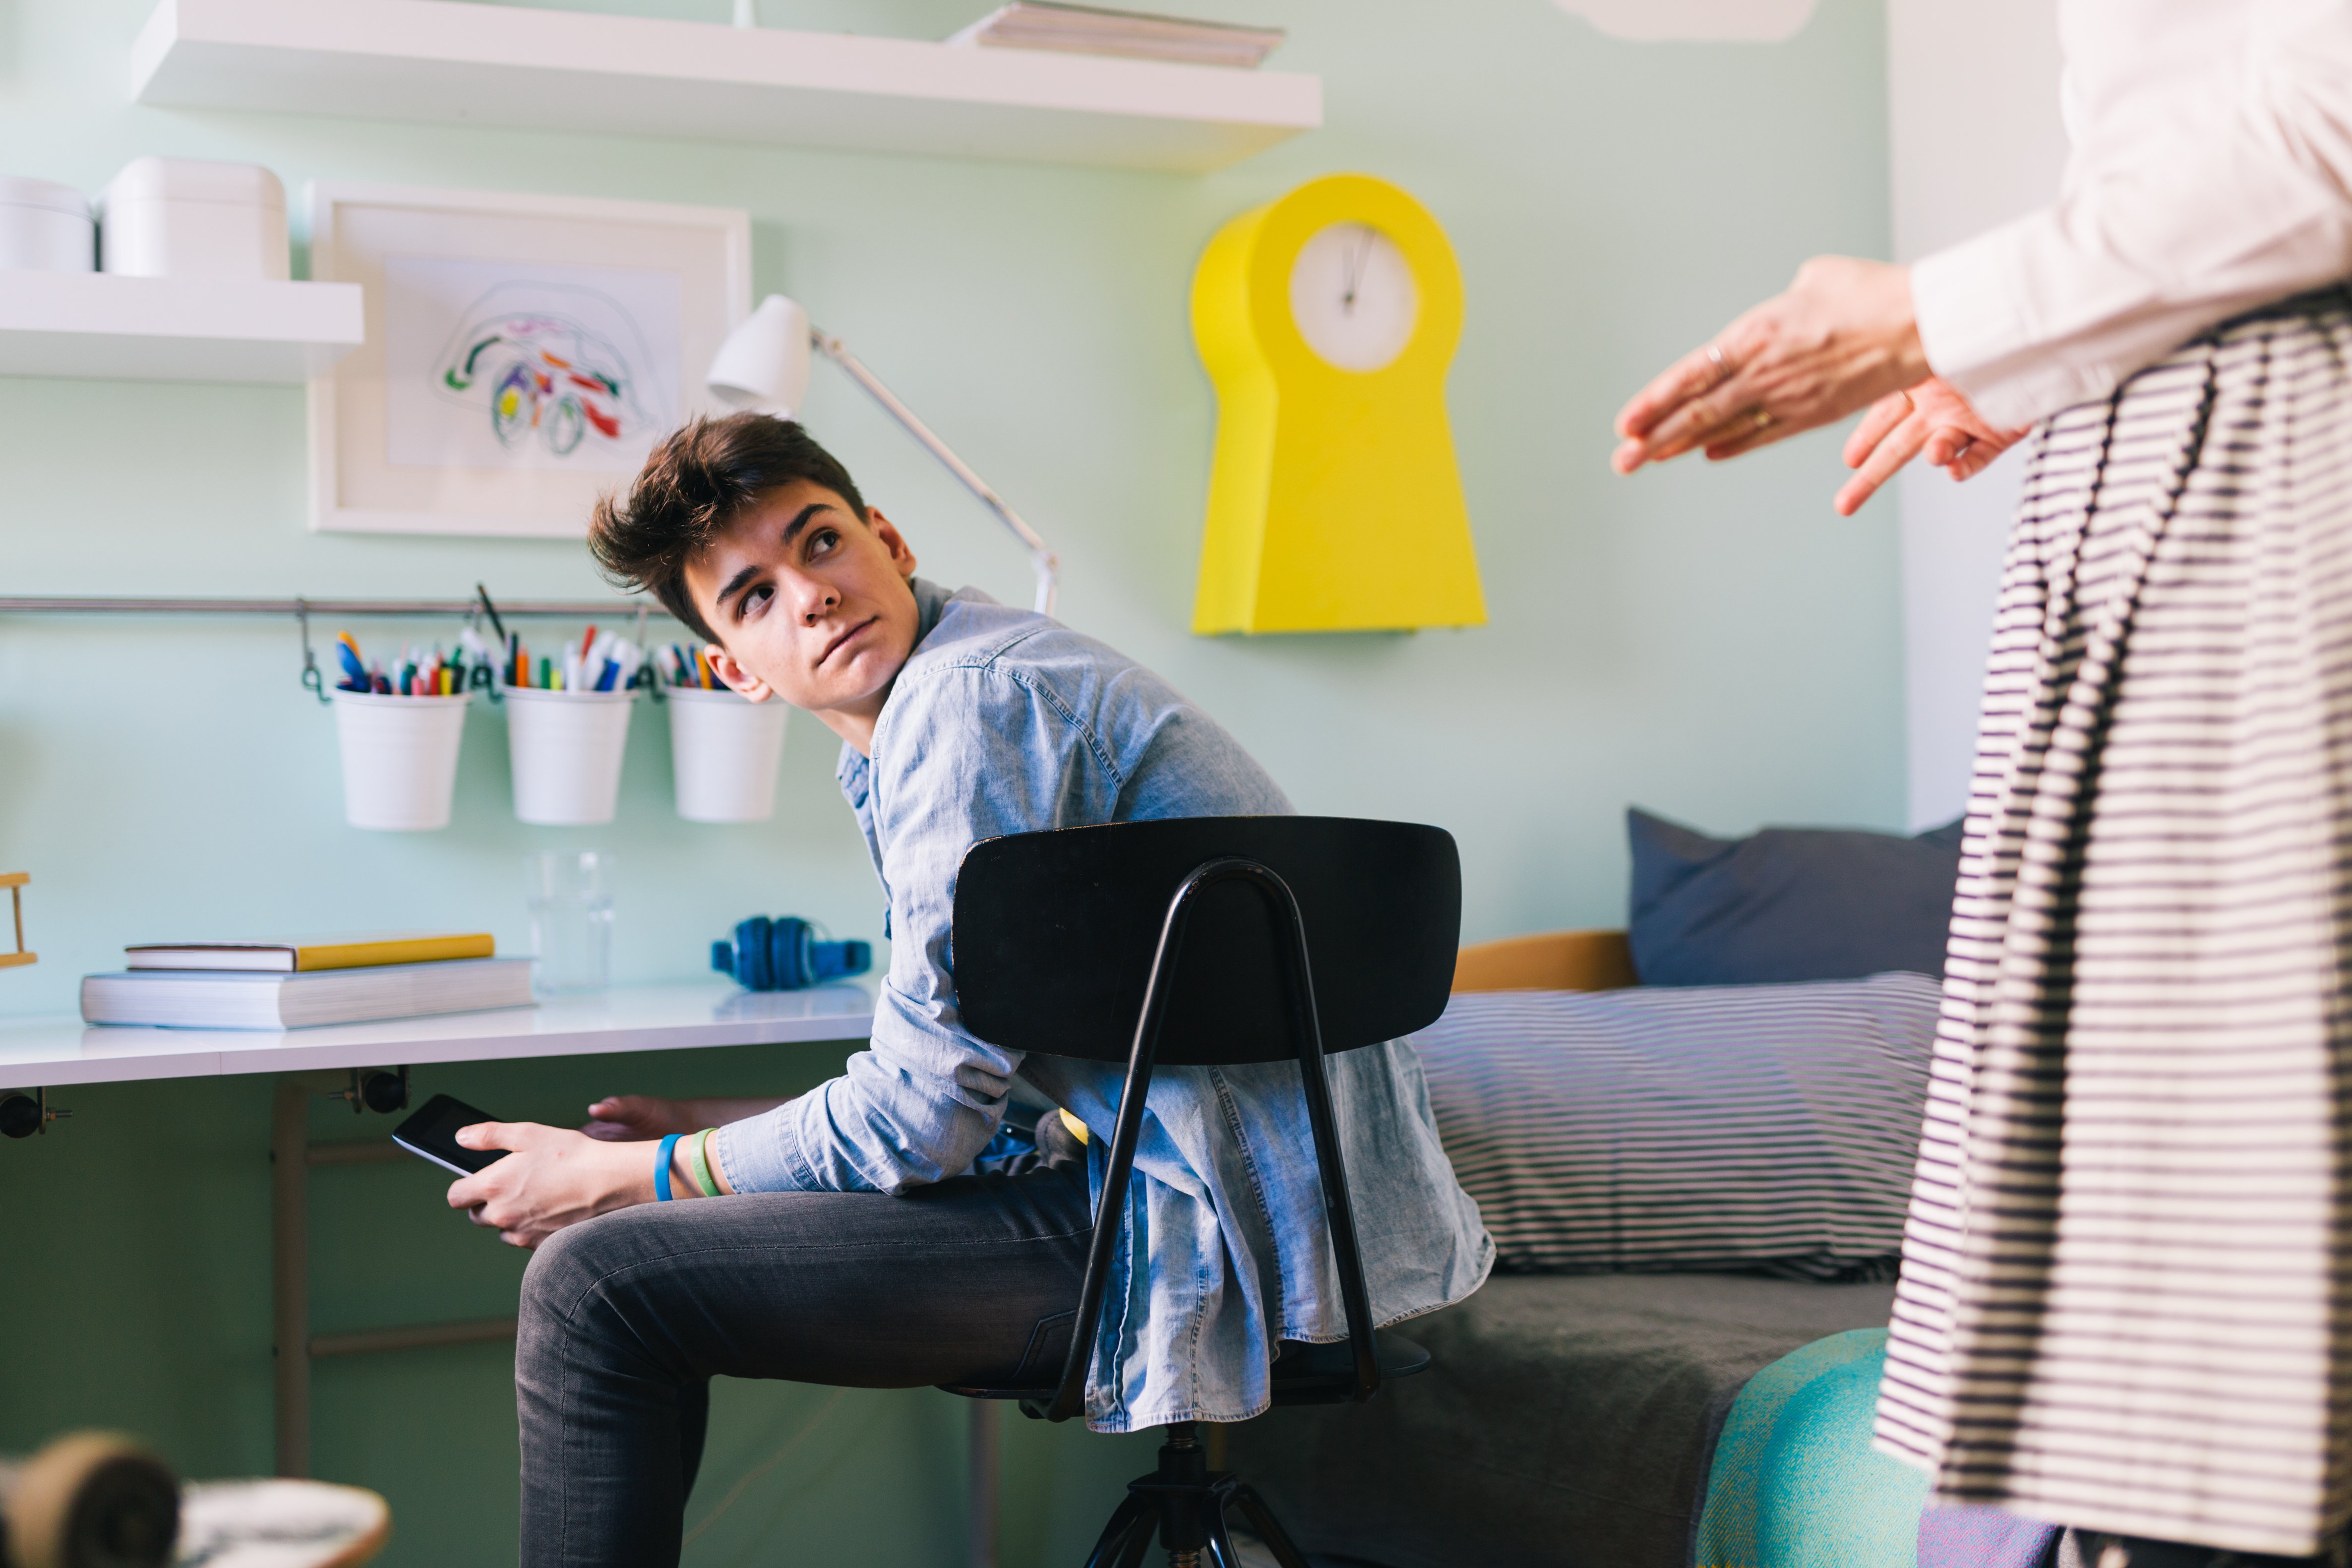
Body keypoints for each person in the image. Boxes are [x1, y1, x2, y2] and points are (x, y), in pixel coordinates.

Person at [442, 414, 1492, 1568]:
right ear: (734, 670)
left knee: (596, 1281)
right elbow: (968, 1092)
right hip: (1292, 1224)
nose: (812, 593)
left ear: (883, 538)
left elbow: (922, 1124)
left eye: (822, 542)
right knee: (636, 1235)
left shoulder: (964, 706)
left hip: (1194, 1233)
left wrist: (629, 1178)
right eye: (754, 595)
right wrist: (702, 1136)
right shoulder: (979, 682)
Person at [1610, 4, 2352, 1562]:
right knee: (2141, 1297)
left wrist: (1942, 312)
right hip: (2173, 442)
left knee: (2223, 1271)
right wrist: (2040, 351)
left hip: (2279, 485)